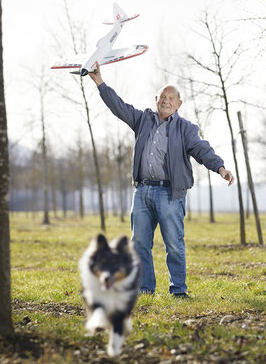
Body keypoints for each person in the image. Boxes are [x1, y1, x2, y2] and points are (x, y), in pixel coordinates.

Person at [88, 63, 234, 297]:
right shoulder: (142, 120)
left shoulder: (186, 129)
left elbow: (201, 149)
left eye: (171, 98)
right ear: (156, 99)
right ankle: (145, 289)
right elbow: (118, 106)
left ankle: (178, 291)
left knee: (174, 245)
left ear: (179, 104)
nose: (166, 101)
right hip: (142, 192)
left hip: (169, 194)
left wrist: (220, 167)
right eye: (163, 96)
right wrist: (99, 83)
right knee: (140, 244)